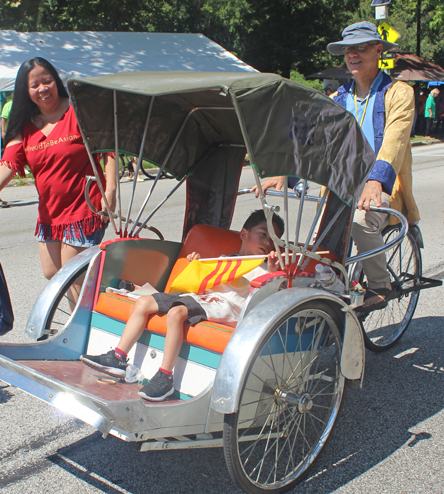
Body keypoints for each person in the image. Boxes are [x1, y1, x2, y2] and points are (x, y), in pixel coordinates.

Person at [255, 21, 419, 313]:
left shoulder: (399, 93)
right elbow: (310, 143)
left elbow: (394, 142)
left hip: (383, 186)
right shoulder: (337, 99)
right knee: (321, 243)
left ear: (378, 49)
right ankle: (327, 293)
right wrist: (284, 173)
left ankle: (380, 283)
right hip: (342, 187)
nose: (353, 55)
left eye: (361, 48)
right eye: (347, 50)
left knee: (359, 221)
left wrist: (376, 181)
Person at [80, 209, 284, 401]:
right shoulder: (224, 259)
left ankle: (166, 377)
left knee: (177, 313)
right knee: (144, 302)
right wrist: (195, 263)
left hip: (228, 309)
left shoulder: (265, 268)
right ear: (244, 234)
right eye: (263, 234)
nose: (267, 243)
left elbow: (266, 300)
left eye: (273, 240)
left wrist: (274, 274)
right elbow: (201, 283)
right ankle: (118, 357)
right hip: (203, 299)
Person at [0, 57, 117, 286]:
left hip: (84, 208)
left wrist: (111, 191)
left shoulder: (78, 109)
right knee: (53, 273)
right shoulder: (25, 124)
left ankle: (83, 319)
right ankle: (96, 303)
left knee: (73, 276)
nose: (42, 89)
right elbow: (9, 159)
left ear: (56, 81)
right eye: (34, 85)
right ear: (26, 90)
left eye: (47, 81)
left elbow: (108, 149)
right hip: (50, 212)